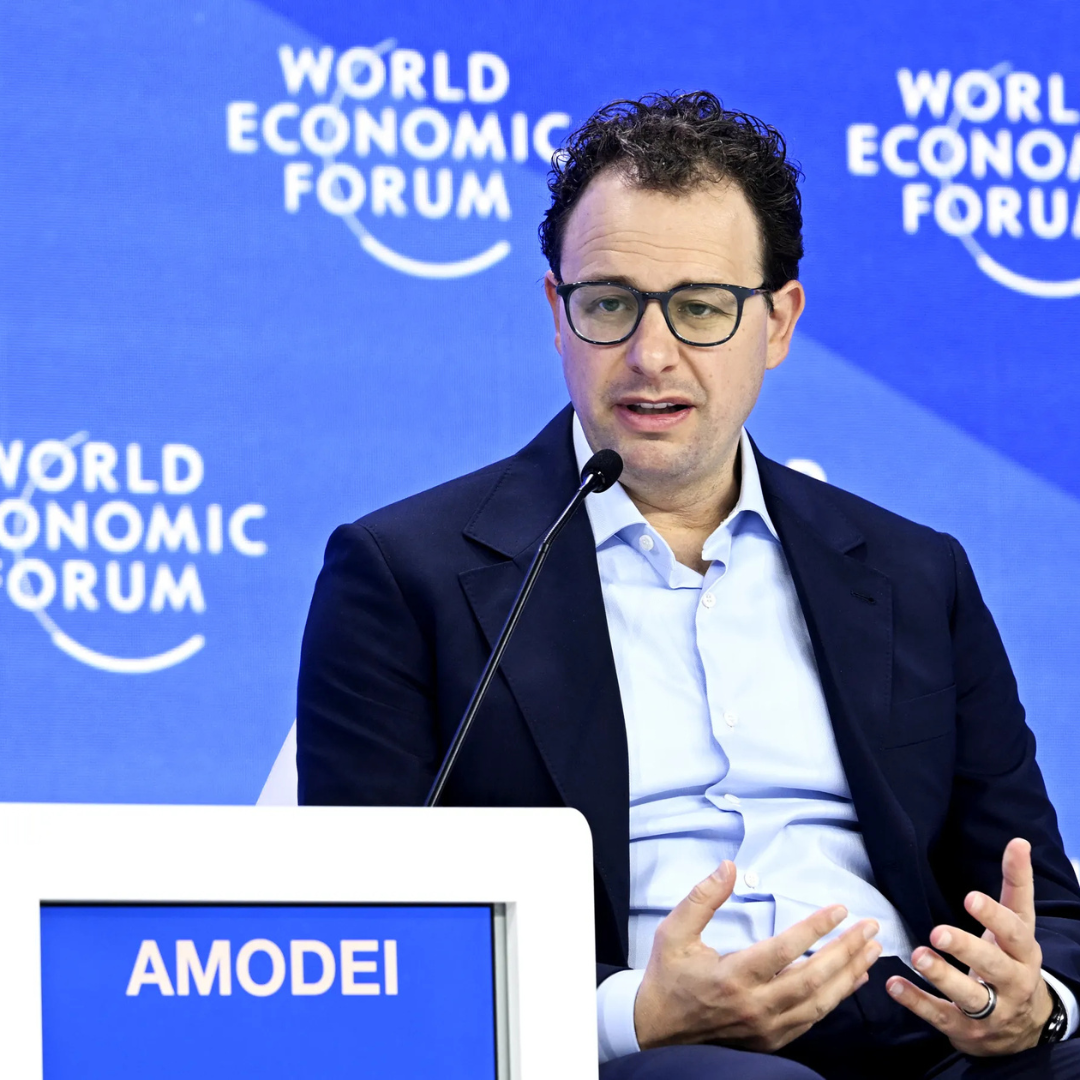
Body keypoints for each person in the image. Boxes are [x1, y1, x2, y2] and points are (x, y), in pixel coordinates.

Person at [296, 92, 1080, 1079]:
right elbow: (366, 940)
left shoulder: (917, 573)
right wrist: (633, 1015)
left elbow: (1040, 905)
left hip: (921, 1033)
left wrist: (1037, 1001)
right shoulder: (404, 575)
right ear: (557, 313)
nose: (651, 355)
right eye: (610, 303)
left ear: (779, 321)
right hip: (655, 1057)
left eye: (701, 309)